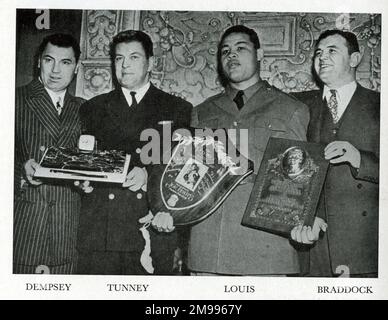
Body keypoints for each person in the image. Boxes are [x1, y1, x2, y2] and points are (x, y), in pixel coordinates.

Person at [153, 25, 310, 276]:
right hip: (209, 251)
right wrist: (169, 212)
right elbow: (188, 177)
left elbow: (297, 184)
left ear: (259, 55)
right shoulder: (203, 111)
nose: (231, 55)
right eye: (225, 51)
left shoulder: (291, 109)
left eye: (240, 48)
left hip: (265, 253)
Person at [76, 30, 192, 275]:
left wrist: (149, 175)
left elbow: (184, 170)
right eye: (119, 58)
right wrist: (82, 180)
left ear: (151, 63)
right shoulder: (93, 108)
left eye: (134, 57)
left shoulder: (176, 109)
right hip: (101, 231)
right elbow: (83, 161)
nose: (125, 65)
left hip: (150, 226)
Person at [291, 29, 379, 277]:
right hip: (311, 244)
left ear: (354, 59)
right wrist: (304, 217)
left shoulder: (380, 106)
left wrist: (360, 159)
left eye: (332, 51)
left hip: (362, 246)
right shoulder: (296, 106)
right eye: (318, 52)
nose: (322, 58)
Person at [14, 33, 83, 274]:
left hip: (67, 231)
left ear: (76, 68)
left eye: (65, 62)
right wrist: (20, 172)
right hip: (23, 226)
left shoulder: (86, 109)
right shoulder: (14, 100)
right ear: (38, 62)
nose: (55, 70)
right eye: (48, 60)